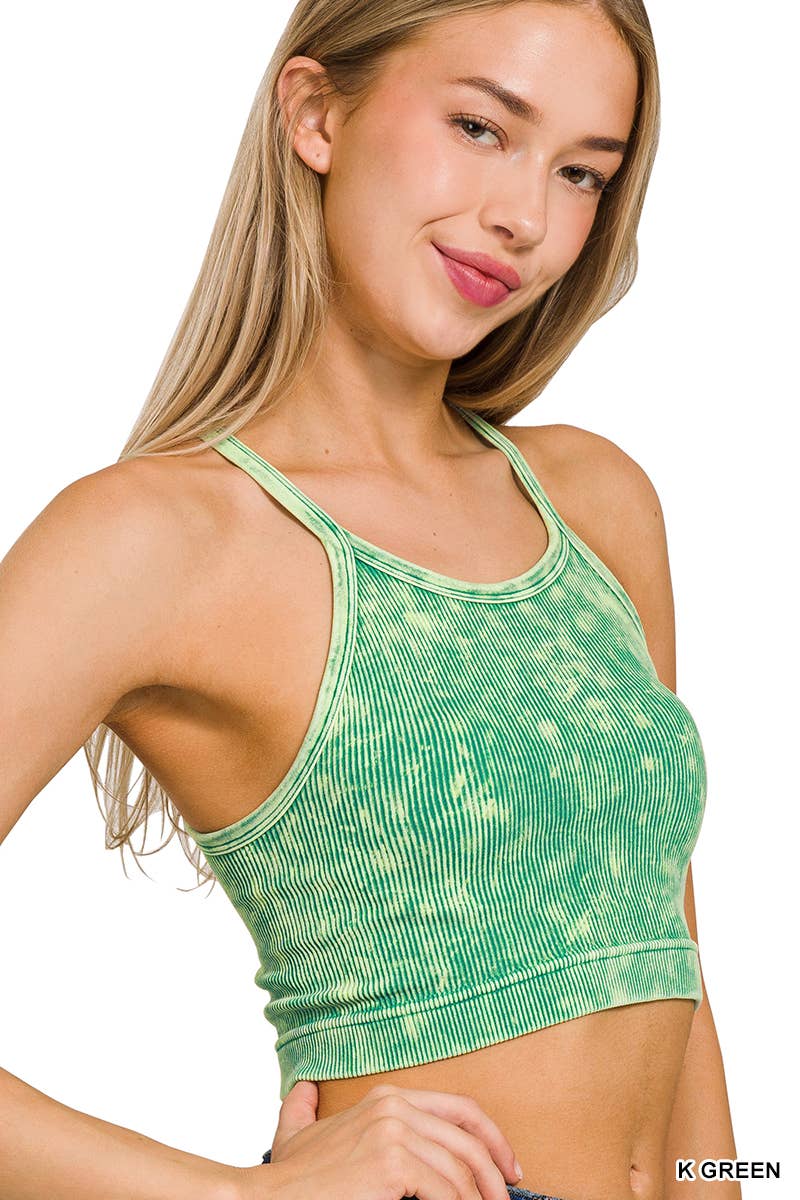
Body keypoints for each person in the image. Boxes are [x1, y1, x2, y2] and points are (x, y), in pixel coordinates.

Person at [0, 1, 740, 1198]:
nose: (524, 217)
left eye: (580, 173)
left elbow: (676, 962)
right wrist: (239, 1196)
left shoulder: (596, 501)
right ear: (314, 114)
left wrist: (732, 1181)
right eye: (478, 127)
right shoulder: (161, 538)